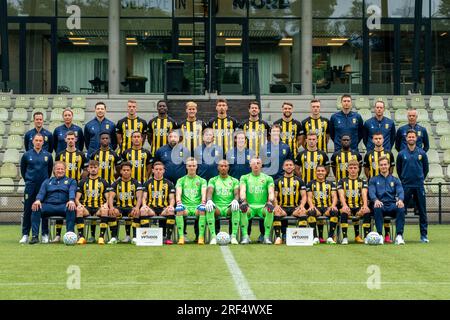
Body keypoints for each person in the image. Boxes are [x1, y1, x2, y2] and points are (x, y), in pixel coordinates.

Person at [29, 161, 77, 244]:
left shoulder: (71, 181)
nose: (60, 171)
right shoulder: (47, 181)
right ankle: (35, 236)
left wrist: (71, 200)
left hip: (63, 206)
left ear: (65, 170)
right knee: (36, 208)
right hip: (49, 206)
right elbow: (41, 192)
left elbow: (72, 191)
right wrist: (38, 200)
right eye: (58, 169)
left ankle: (70, 235)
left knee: (71, 208)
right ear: (54, 170)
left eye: (62, 169)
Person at [53, 131, 88, 242]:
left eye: (72, 138)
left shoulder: (81, 154)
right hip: (62, 186)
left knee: (76, 209)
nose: (71, 140)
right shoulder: (60, 154)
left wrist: (81, 182)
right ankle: (58, 235)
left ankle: (77, 234)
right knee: (60, 206)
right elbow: (56, 169)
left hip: (76, 187)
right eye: (68, 138)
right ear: (65, 140)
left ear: (76, 140)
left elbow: (86, 170)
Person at [19, 134, 53, 244]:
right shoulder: (26, 155)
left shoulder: (48, 155)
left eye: (40, 140)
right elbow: (23, 171)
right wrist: (29, 181)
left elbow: (49, 171)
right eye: (36, 140)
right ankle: (25, 234)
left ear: (43, 142)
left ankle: (44, 234)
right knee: (28, 210)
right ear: (33, 141)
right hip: (30, 186)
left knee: (44, 210)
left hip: (43, 187)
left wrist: (44, 183)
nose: (38, 142)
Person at [396, 130, 429, 243]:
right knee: (401, 210)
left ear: (416, 138)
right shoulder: (401, 154)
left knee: (422, 211)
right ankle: (400, 235)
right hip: (406, 186)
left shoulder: (422, 153)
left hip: (419, 186)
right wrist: (405, 180)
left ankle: (424, 235)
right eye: (409, 136)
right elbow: (399, 170)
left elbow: (426, 169)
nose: (411, 138)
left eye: (413, 137)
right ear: (406, 139)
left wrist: (419, 179)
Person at [368, 157, 406, 245]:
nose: (383, 166)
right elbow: (371, 192)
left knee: (401, 208)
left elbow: (400, 191)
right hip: (381, 205)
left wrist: (400, 200)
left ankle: (399, 236)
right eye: (381, 165)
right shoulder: (373, 180)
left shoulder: (395, 180)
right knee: (377, 207)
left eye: (385, 164)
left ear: (389, 165)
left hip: (392, 205)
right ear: (378, 166)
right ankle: (380, 235)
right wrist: (375, 200)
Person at [239, 157, 276, 245]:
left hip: (262, 207)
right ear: (250, 165)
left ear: (261, 166)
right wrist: (243, 201)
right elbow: (242, 190)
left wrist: (270, 201)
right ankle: (245, 237)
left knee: (270, 210)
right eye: (254, 163)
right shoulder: (244, 177)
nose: (256, 165)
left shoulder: (268, 178)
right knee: (242, 210)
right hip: (250, 207)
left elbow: (271, 191)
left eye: (258, 163)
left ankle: (266, 237)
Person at [140, 161, 176, 245]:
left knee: (171, 210)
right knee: (143, 210)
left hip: (163, 208)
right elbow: (144, 197)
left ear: (164, 171)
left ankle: (168, 238)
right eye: (156, 169)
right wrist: (144, 205)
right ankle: (146, 237)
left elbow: (172, 198)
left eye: (160, 169)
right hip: (151, 208)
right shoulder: (147, 183)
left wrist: (170, 206)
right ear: (152, 170)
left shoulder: (169, 183)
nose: (158, 171)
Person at [205, 160, 240, 245]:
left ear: (228, 167)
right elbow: (210, 191)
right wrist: (209, 200)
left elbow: (236, 193)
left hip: (228, 207)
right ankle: (213, 237)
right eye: (221, 166)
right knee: (210, 209)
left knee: (236, 208)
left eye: (225, 166)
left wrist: (235, 200)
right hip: (217, 207)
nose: (223, 168)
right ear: (218, 167)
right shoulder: (213, 180)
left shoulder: (234, 180)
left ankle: (233, 236)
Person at [74, 160, 110, 245]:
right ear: (88, 169)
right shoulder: (82, 182)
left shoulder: (103, 182)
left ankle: (101, 237)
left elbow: (108, 198)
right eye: (91, 167)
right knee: (79, 210)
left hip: (98, 208)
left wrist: (105, 204)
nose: (93, 169)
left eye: (95, 167)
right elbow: (76, 198)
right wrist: (79, 205)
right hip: (87, 208)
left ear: (98, 169)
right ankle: (82, 237)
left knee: (105, 210)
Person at [273, 159, 307, 245]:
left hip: (294, 208)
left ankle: (300, 237)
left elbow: (304, 196)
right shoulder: (277, 181)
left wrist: (302, 206)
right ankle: (278, 237)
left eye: (291, 165)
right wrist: (276, 205)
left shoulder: (299, 181)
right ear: (283, 167)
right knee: (276, 211)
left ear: (294, 167)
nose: (289, 167)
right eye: (287, 165)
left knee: (303, 211)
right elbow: (275, 197)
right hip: (282, 208)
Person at [108, 162, 143, 244]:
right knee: (113, 212)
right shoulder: (115, 183)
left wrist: (137, 207)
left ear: (131, 171)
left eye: (128, 170)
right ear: (121, 171)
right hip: (120, 207)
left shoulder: (136, 183)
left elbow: (139, 197)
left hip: (132, 207)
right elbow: (111, 197)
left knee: (136, 212)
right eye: (124, 170)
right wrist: (111, 207)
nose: (126, 172)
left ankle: (135, 237)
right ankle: (114, 237)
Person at [337, 159, 371, 244]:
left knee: (366, 212)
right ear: (347, 169)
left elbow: (364, 194)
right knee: (343, 212)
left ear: (358, 169)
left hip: (358, 206)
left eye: (355, 168)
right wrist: (344, 206)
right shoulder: (342, 181)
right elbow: (341, 195)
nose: (353, 170)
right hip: (347, 206)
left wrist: (365, 206)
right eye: (351, 168)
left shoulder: (362, 181)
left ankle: (365, 237)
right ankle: (345, 237)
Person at [175, 158, 207, 245]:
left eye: (193, 166)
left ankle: (200, 237)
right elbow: (178, 192)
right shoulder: (181, 180)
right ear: (186, 167)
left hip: (197, 207)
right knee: (179, 210)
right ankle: (181, 237)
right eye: (189, 166)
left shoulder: (202, 180)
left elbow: (203, 193)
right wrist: (179, 202)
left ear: (197, 167)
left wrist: (203, 202)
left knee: (202, 210)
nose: (191, 167)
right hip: (185, 207)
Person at [306, 165, 339, 244]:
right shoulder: (310, 183)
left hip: (327, 207)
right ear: (315, 172)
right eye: (318, 171)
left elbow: (334, 196)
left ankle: (330, 237)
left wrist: (333, 206)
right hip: (316, 207)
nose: (320, 172)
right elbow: (309, 197)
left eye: (322, 171)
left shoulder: (331, 184)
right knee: (311, 212)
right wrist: (311, 206)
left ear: (326, 172)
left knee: (334, 211)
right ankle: (315, 237)